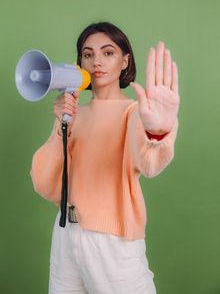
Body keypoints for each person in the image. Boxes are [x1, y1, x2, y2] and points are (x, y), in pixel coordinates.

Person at [30, 21, 180, 294]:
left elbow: (149, 164)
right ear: (80, 63)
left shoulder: (134, 112)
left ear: (124, 61)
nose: (96, 61)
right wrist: (60, 125)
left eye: (107, 53)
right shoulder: (74, 115)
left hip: (112, 241)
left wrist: (157, 132)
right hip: (65, 235)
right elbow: (43, 182)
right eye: (88, 54)